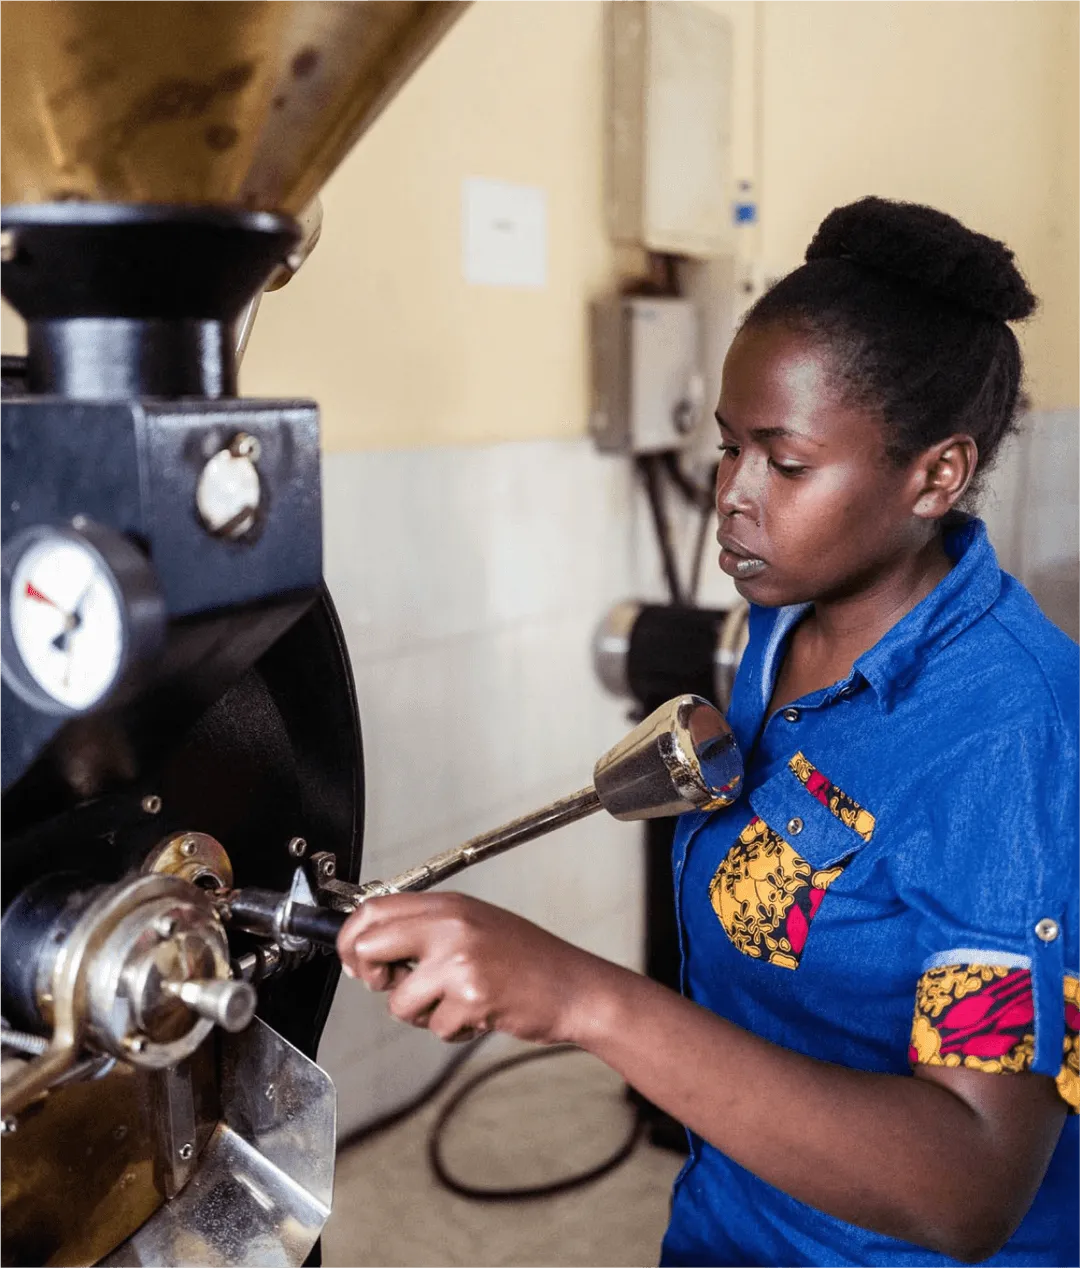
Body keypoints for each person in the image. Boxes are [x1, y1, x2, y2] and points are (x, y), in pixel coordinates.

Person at [337, 197, 1080, 1266]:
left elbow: (966, 1185)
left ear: (936, 474)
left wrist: (585, 997)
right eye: (729, 448)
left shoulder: (1014, 742)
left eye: (784, 464)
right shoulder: (790, 618)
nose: (730, 496)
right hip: (728, 1222)